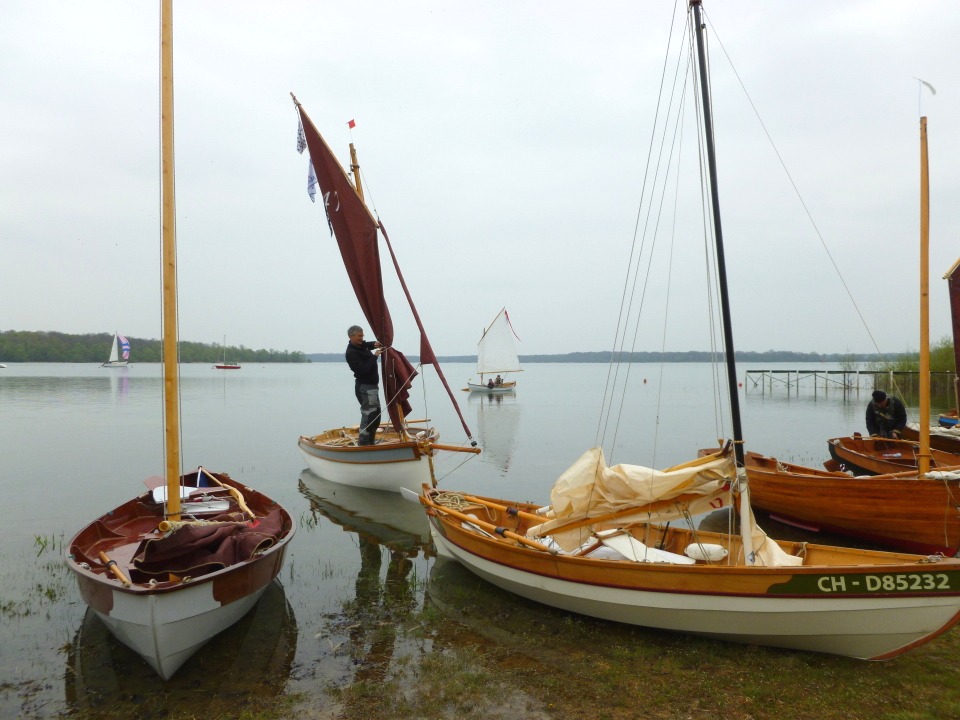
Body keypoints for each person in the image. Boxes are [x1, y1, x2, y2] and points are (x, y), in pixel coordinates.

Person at [345, 325, 382, 445]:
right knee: (369, 415)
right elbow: (363, 370)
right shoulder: (351, 353)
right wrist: (375, 356)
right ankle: (364, 443)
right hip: (365, 388)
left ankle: (371, 441)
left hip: (372, 387)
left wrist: (374, 344)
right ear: (351, 337)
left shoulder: (360, 346)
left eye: (362, 335)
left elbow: (366, 345)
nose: (362, 338)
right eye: (359, 336)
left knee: (376, 415)